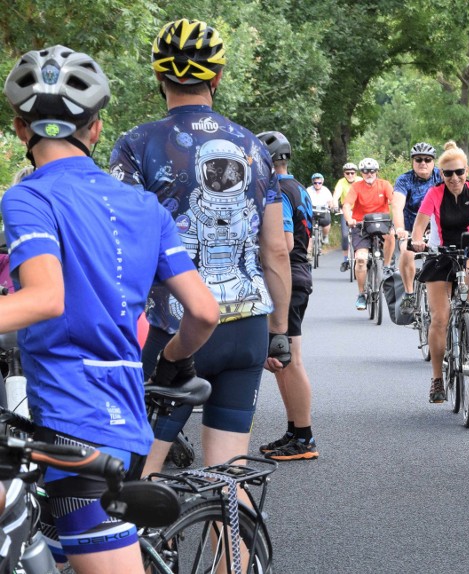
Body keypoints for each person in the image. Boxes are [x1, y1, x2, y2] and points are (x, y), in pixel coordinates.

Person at [1, 45, 219, 573]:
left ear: (19, 129)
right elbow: (204, 312)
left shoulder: (28, 197)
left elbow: (44, 297)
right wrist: (172, 358)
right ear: (95, 130)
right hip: (110, 413)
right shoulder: (143, 205)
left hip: (71, 420)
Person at [109, 18, 292, 478]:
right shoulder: (255, 147)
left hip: (175, 327)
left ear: (158, 77)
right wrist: (279, 330)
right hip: (247, 327)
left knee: (136, 484)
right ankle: (233, 547)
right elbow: (275, 250)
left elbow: (122, 249)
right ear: (217, 77)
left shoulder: (136, 144)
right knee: (228, 482)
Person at [410, 141, 469, 403]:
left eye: (459, 172)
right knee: (439, 318)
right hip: (440, 255)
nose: (454, 178)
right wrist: (418, 240)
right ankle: (437, 379)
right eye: (448, 173)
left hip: (467, 252)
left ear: (466, 170)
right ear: (441, 175)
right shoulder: (435, 193)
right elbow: (420, 224)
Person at [256, 131, 319, 460]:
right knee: (284, 360)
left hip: (287, 277)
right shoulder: (299, 187)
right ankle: (295, 431)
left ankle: (305, 436)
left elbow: (284, 243)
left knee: (290, 359)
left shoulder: (277, 190)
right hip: (299, 273)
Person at [393, 142, 443, 312]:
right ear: (412, 162)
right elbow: (397, 207)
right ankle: (409, 294)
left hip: (436, 229)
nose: (423, 163)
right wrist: (400, 229)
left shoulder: (441, 177)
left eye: (427, 159)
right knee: (407, 253)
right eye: (418, 159)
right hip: (410, 228)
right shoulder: (404, 180)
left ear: (434, 162)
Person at [342, 157, 395, 310]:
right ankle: (361, 294)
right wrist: (349, 218)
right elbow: (347, 205)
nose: (369, 173)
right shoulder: (357, 187)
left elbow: (394, 201)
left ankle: (386, 266)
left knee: (391, 235)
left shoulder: (384, 185)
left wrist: (397, 215)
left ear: (376, 172)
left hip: (382, 222)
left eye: (372, 171)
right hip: (361, 225)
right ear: (362, 173)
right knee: (360, 259)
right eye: (365, 171)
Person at [332, 162, 361, 271]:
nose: (350, 175)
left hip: (359, 211)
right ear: (344, 174)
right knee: (345, 236)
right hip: (346, 211)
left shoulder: (360, 181)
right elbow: (336, 195)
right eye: (347, 173)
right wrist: (334, 204)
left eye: (352, 173)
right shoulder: (341, 182)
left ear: (356, 173)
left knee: (363, 234)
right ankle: (345, 259)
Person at [308, 172, 334, 244]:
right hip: (312, 211)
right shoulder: (309, 190)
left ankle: (325, 236)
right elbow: (304, 200)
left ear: (322, 182)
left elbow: (330, 201)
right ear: (313, 182)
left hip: (323, 211)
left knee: (327, 222)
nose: (317, 184)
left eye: (319, 183)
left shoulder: (326, 190)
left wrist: (331, 206)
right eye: (315, 183)